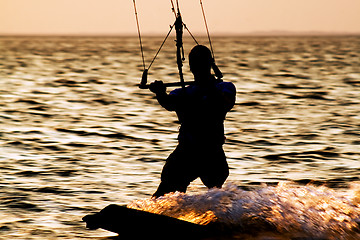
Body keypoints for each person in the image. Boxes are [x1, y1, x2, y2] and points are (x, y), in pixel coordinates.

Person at [149, 45, 236, 198]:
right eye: (195, 64)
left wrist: (207, 86)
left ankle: (226, 217)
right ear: (191, 67)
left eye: (202, 63)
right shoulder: (183, 92)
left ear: (210, 64)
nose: (199, 67)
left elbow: (225, 102)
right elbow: (169, 103)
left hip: (212, 153)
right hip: (187, 153)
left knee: (216, 193)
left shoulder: (224, 88)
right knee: (167, 188)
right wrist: (160, 93)